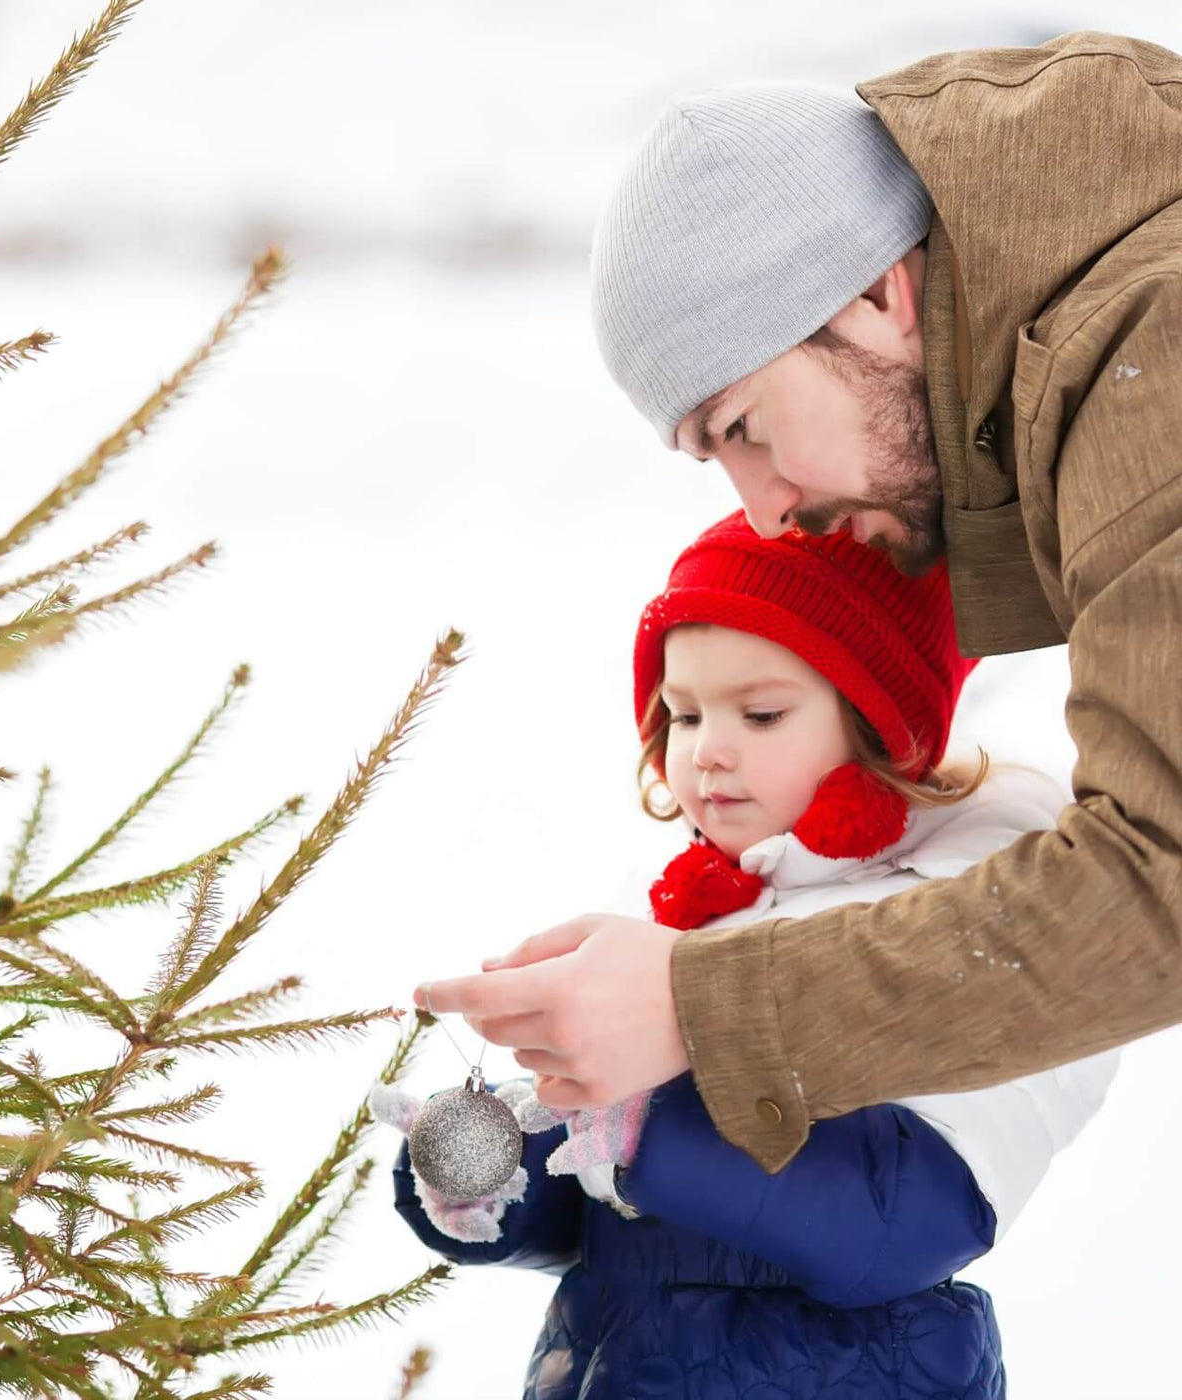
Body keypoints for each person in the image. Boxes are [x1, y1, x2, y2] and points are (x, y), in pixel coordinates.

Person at [416, 32, 1182, 1174]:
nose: (766, 512)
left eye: (744, 427)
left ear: (876, 292)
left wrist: (699, 1008)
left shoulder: (1152, 348)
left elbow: (1161, 875)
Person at [381, 512, 1116, 1399]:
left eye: (761, 713)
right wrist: (502, 1177)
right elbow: (615, 1216)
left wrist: (649, 1124)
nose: (706, 750)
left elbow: (901, 1223)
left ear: (882, 721)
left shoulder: (966, 924)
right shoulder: (673, 915)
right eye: (683, 714)